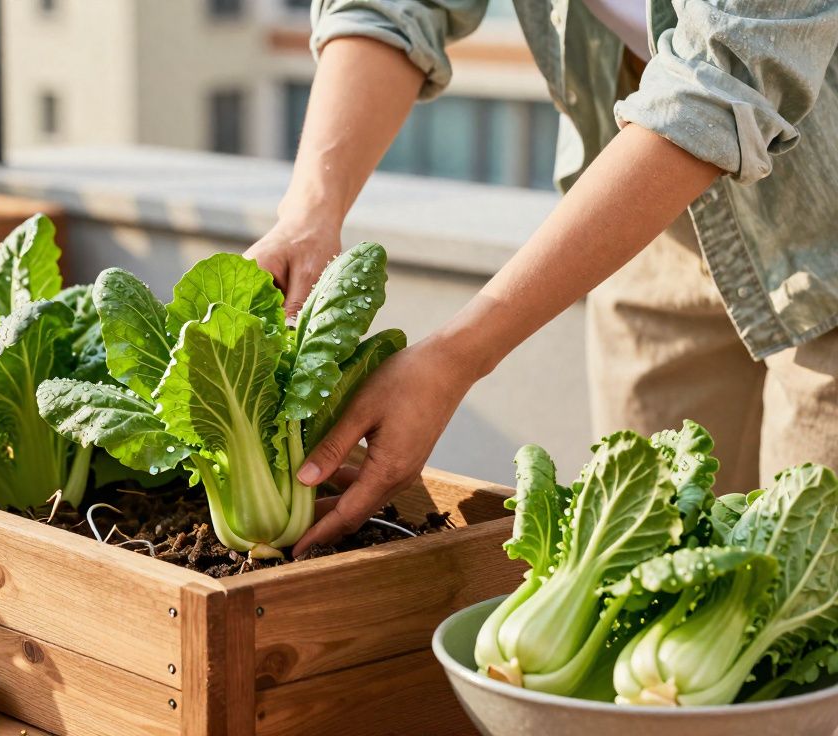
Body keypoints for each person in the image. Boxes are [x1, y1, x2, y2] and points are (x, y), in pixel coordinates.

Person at [247, 0, 838, 557]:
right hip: (653, 214)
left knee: (806, 590)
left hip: (825, 223)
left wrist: (456, 357)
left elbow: (723, 79)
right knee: (647, 556)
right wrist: (308, 215)